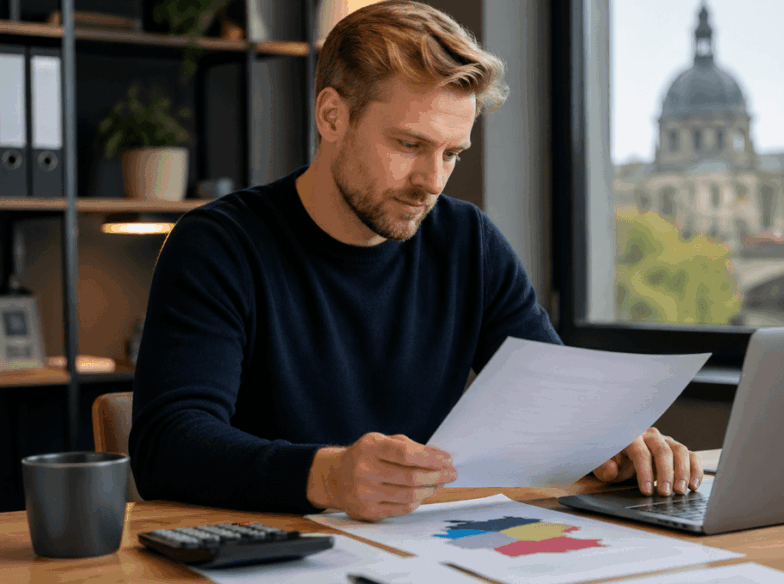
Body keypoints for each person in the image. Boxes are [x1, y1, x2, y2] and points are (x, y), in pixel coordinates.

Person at [129, 0, 702, 522]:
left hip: (417, 550)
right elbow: (166, 446)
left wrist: (614, 441)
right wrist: (328, 476)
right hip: (263, 554)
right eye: (408, 145)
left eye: (452, 153)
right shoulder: (219, 246)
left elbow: (557, 402)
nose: (432, 182)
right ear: (332, 116)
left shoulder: (468, 243)